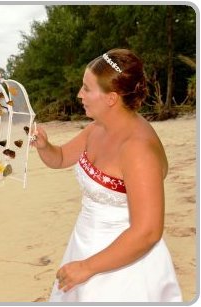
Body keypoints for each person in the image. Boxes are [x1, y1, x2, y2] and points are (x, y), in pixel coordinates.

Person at [31, 49, 182, 302]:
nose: (79, 94)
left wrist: (87, 267)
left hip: (123, 265)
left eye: (86, 88)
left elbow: (148, 231)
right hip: (83, 243)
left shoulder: (137, 150)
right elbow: (60, 159)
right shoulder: (96, 129)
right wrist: (45, 146)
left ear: (111, 98)